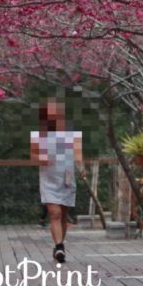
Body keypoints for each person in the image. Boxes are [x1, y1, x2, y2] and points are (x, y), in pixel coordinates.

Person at [31, 100, 82, 264]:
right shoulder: (39, 136)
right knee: (55, 213)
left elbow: (78, 154)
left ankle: (59, 246)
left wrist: (82, 168)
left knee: (63, 214)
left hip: (66, 178)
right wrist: (42, 159)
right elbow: (34, 158)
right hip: (48, 180)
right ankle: (59, 246)